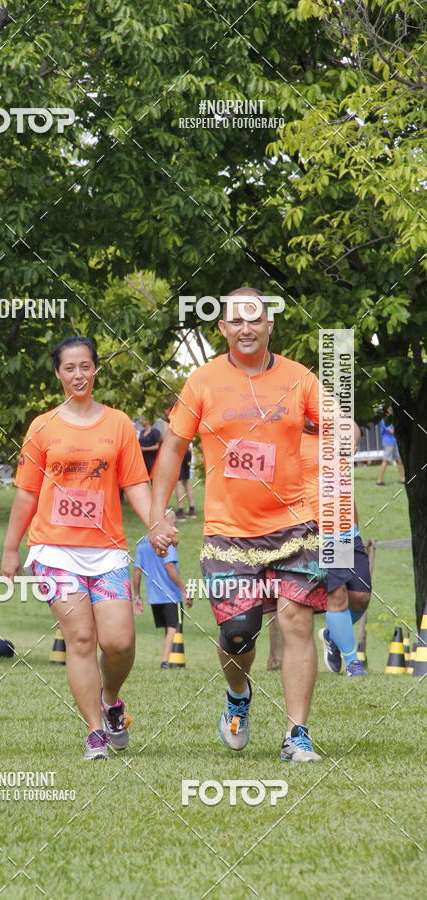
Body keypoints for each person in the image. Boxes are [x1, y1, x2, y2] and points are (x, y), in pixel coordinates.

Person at [149, 287, 327, 762]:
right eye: (237, 320)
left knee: (296, 621)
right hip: (228, 531)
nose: (246, 328)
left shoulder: (299, 377)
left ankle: (297, 734)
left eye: (255, 318)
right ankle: (237, 695)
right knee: (237, 634)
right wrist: (156, 514)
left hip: (293, 523)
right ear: (223, 327)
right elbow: (172, 449)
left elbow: (334, 422)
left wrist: (346, 429)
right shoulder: (203, 381)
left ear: (270, 323)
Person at [1, 336, 151, 760]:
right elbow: (27, 493)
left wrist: (156, 523)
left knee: (119, 643)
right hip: (54, 550)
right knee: (81, 638)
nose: (78, 375)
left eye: (85, 366)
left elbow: (135, 483)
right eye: (70, 368)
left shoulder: (118, 424)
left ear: (95, 370)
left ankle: (110, 700)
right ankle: (94, 732)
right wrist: (11, 549)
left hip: (106, 551)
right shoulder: (42, 427)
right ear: (58, 374)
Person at [300, 421, 372, 676]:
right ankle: (354, 664)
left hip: (348, 532)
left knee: (360, 598)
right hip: (320, 533)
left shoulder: (335, 432)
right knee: (337, 595)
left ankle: (332, 636)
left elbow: (354, 432)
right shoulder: (292, 438)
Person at [133, 509, 191, 667]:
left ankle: (169, 658)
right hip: (171, 593)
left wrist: (137, 595)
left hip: (153, 595)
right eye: (173, 521)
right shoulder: (167, 540)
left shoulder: (143, 542)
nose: (175, 525)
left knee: (168, 627)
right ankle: (166, 661)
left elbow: (137, 571)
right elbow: (169, 566)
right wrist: (184, 590)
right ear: (165, 522)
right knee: (174, 626)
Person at [376, 408, 405, 485]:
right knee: (386, 460)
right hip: (388, 442)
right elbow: (390, 431)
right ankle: (379, 480)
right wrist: (401, 432)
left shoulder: (391, 419)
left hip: (394, 441)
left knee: (399, 460)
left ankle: (402, 479)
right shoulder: (384, 420)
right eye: (389, 409)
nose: (391, 409)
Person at [174, 444, 196, 520]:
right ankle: (192, 510)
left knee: (178, 482)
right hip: (188, 450)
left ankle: (180, 512)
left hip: (178, 450)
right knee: (186, 481)